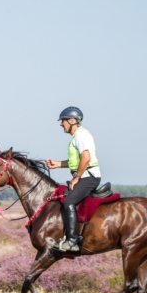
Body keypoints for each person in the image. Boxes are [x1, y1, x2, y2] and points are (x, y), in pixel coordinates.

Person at [46, 107, 101, 252]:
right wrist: (58, 164)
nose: (60, 124)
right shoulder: (76, 136)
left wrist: (77, 177)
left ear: (71, 121)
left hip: (89, 177)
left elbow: (86, 158)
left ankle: (72, 242)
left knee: (69, 201)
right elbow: (76, 161)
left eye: (62, 121)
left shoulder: (80, 135)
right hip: (85, 176)